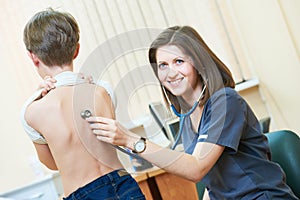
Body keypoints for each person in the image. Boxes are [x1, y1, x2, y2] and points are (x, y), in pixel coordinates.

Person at [86, 26, 298, 199]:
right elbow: (212, 184)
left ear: (199, 62)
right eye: (163, 65)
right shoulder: (189, 116)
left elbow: (196, 168)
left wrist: (130, 139)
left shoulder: (225, 102)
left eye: (179, 61)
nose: (170, 73)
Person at [20, 8, 145, 199]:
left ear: (33, 57)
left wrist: (38, 95)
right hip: (124, 184)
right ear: (76, 49)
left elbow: (52, 164)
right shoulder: (102, 91)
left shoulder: (32, 111)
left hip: (83, 193)